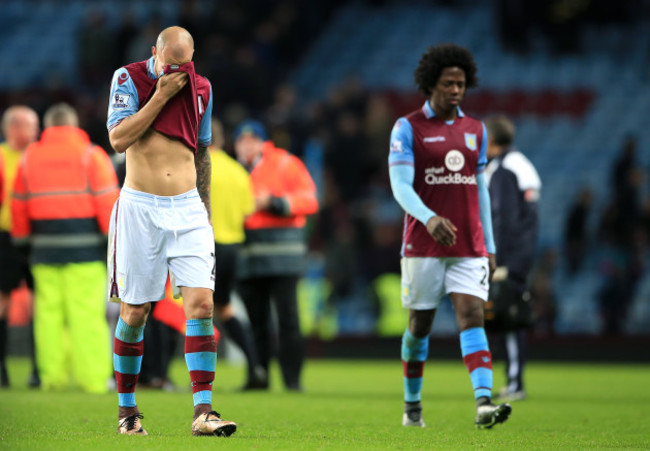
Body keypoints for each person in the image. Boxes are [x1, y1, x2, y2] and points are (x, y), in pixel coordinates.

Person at [106, 26, 236, 436]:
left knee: (201, 305)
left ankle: (203, 411)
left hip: (187, 210)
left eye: (184, 64)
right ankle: (128, 411)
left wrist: (206, 212)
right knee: (135, 312)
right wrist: (160, 95)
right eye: (169, 64)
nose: (177, 71)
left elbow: (202, 153)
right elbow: (118, 138)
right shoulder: (129, 78)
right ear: (154, 54)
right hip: (140, 207)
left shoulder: (203, 89)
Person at [388, 43, 511, 429]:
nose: (455, 90)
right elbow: (400, 185)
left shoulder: (476, 130)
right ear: (431, 85)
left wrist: (489, 246)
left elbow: (481, 191)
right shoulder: (407, 128)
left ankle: (484, 404)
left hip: (468, 245)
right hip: (423, 245)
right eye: (448, 83)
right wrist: (429, 218)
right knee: (419, 325)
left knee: (472, 314)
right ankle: (412, 406)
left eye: (460, 83)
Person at [11, 103, 118, 393]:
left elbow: (18, 206)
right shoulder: (90, 156)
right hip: (85, 253)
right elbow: (108, 203)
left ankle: (52, 378)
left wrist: (23, 245)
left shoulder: (29, 157)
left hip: (43, 251)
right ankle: (93, 380)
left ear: (47, 127)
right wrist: (115, 242)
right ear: (74, 124)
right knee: (86, 315)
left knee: (47, 316)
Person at [234, 119, 318, 392]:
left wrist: (274, 202)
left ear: (262, 142)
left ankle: (292, 381)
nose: (246, 145)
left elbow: (310, 200)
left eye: (251, 140)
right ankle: (258, 379)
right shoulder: (231, 169)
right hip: (248, 257)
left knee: (288, 320)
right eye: (241, 141)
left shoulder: (285, 163)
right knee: (256, 322)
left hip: (283, 257)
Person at [484, 115, 541, 402]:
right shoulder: (521, 164)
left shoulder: (503, 169)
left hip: (509, 254)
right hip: (523, 250)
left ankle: (516, 383)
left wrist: (497, 259)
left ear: (491, 140)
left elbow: (502, 219)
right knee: (510, 316)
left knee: (509, 318)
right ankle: (513, 380)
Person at [208, 118, 265, 389]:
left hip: (206, 246)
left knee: (193, 310)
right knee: (224, 307)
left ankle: (186, 376)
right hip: (233, 247)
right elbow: (248, 211)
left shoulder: (198, 169)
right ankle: (255, 366)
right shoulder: (238, 171)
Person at [0, 105, 40, 388]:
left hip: (38, 236)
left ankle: (40, 371)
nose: (34, 132)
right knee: (2, 301)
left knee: (41, 304)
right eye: (29, 126)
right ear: (12, 128)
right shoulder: (2, 156)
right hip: (5, 237)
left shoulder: (40, 156)